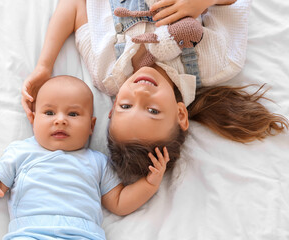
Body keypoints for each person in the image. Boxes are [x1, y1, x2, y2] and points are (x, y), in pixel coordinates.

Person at [21, 0, 288, 184]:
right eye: (153, 110)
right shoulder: (218, 63)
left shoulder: (107, 72)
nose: (140, 93)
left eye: (126, 107)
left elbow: (76, 5)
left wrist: (44, 66)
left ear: (112, 109)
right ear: (181, 115)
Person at [0, 75, 169, 239]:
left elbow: (119, 203)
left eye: (73, 114)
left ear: (91, 126)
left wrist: (149, 184)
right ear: (33, 119)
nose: (60, 120)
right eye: (49, 112)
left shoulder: (97, 161)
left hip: (83, 235)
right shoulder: (20, 152)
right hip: (30, 233)